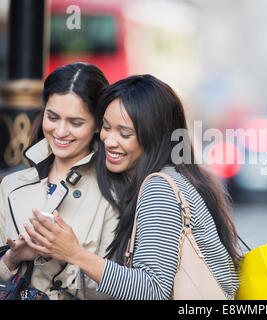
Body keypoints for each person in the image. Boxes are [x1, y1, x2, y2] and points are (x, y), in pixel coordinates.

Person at [24, 74, 241, 300]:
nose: (109, 141)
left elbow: (154, 289)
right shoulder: (182, 177)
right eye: (106, 127)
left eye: (125, 133)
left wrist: (74, 253)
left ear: (155, 136)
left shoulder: (160, 189)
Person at [0, 62, 118, 299]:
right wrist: (13, 258)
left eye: (76, 123)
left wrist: (65, 254)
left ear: (98, 125)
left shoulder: (115, 193)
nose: (61, 131)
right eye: (52, 117)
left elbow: (122, 288)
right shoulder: (11, 186)